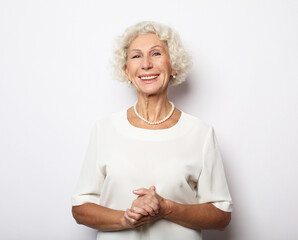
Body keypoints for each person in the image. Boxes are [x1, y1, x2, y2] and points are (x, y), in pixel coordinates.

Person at [72, 21, 233, 240]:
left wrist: (166, 208)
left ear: (173, 65)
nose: (146, 64)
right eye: (136, 56)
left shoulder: (200, 133)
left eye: (156, 54)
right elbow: (81, 209)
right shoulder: (104, 129)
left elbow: (221, 216)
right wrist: (125, 218)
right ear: (127, 71)